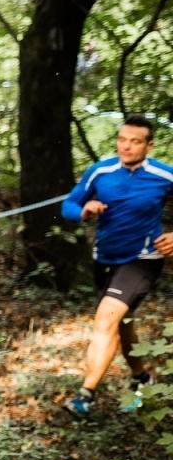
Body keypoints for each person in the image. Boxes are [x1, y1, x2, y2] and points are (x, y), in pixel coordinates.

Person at [61, 115, 173, 417]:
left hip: (143, 259)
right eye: (122, 139)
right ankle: (141, 378)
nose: (127, 146)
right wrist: (84, 210)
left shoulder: (164, 175)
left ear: (149, 145)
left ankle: (86, 395)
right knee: (121, 324)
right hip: (105, 259)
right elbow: (68, 205)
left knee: (105, 321)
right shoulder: (100, 172)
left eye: (135, 141)